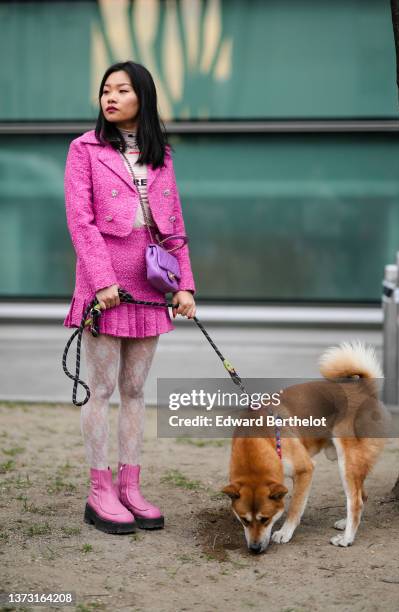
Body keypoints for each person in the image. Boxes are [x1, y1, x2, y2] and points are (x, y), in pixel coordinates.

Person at [63, 61, 196, 534]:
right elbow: (80, 221)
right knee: (101, 389)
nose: (110, 97)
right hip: (104, 287)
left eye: (122, 89)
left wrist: (184, 285)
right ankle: (99, 489)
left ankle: (130, 485)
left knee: (136, 391)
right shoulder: (84, 149)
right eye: (105, 90)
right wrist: (100, 281)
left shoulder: (162, 155)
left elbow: (173, 225)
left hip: (149, 284)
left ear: (143, 96)